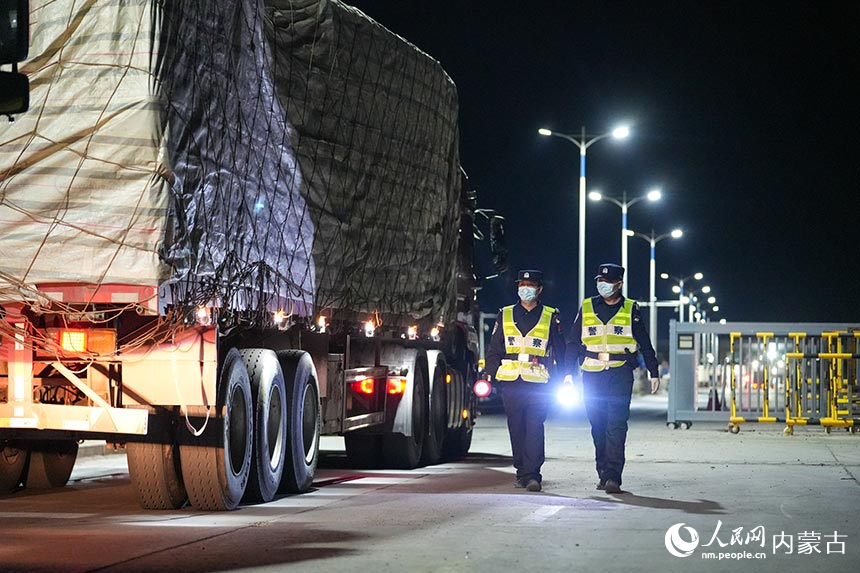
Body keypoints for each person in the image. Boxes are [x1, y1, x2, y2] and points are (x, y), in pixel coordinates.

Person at [568, 263, 660, 494]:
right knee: (597, 425)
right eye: (600, 280)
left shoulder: (631, 309)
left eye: (609, 282)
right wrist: (568, 373)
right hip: (591, 373)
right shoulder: (587, 306)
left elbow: (644, 342)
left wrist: (653, 370)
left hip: (620, 373)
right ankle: (602, 471)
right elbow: (573, 342)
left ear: (619, 284)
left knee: (616, 425)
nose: (603, 285)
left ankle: (613, 477)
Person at [483, 269, 568, 492]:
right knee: (516, 426)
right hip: (511, 380)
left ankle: (533, 475)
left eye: (530, 285)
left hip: (539, 380)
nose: (525, 288)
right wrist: (488, 374)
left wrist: (566, 376)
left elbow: (560, 349)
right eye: (522, 284)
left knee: (534, 426)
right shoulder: (505, 314)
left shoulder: (551, 315)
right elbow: (495, 348)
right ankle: (521, 469)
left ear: (539, 289)